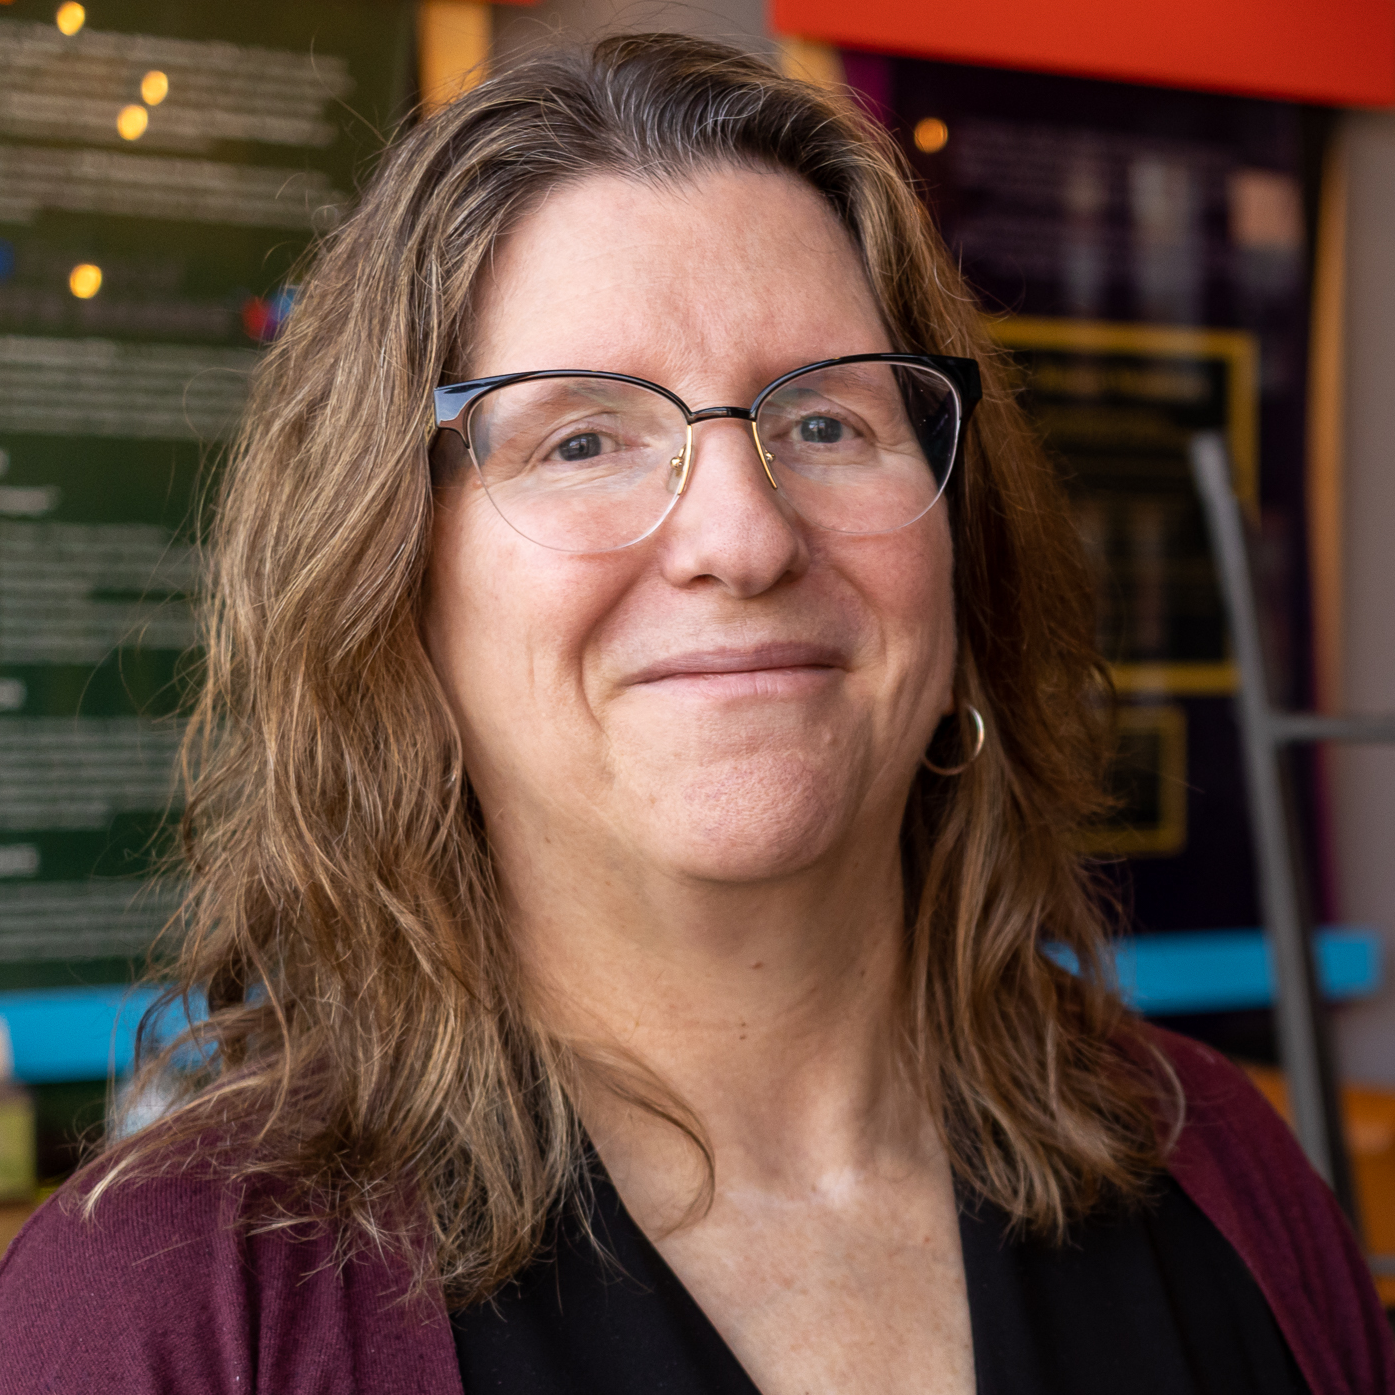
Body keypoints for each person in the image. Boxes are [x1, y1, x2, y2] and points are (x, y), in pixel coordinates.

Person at [1, 33, 1390, 1395]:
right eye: (583, 438)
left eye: (827, 422)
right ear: (393, 590)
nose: (741, 536)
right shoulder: (164, 1311)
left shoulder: (1224, 1171)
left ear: (959, 551)